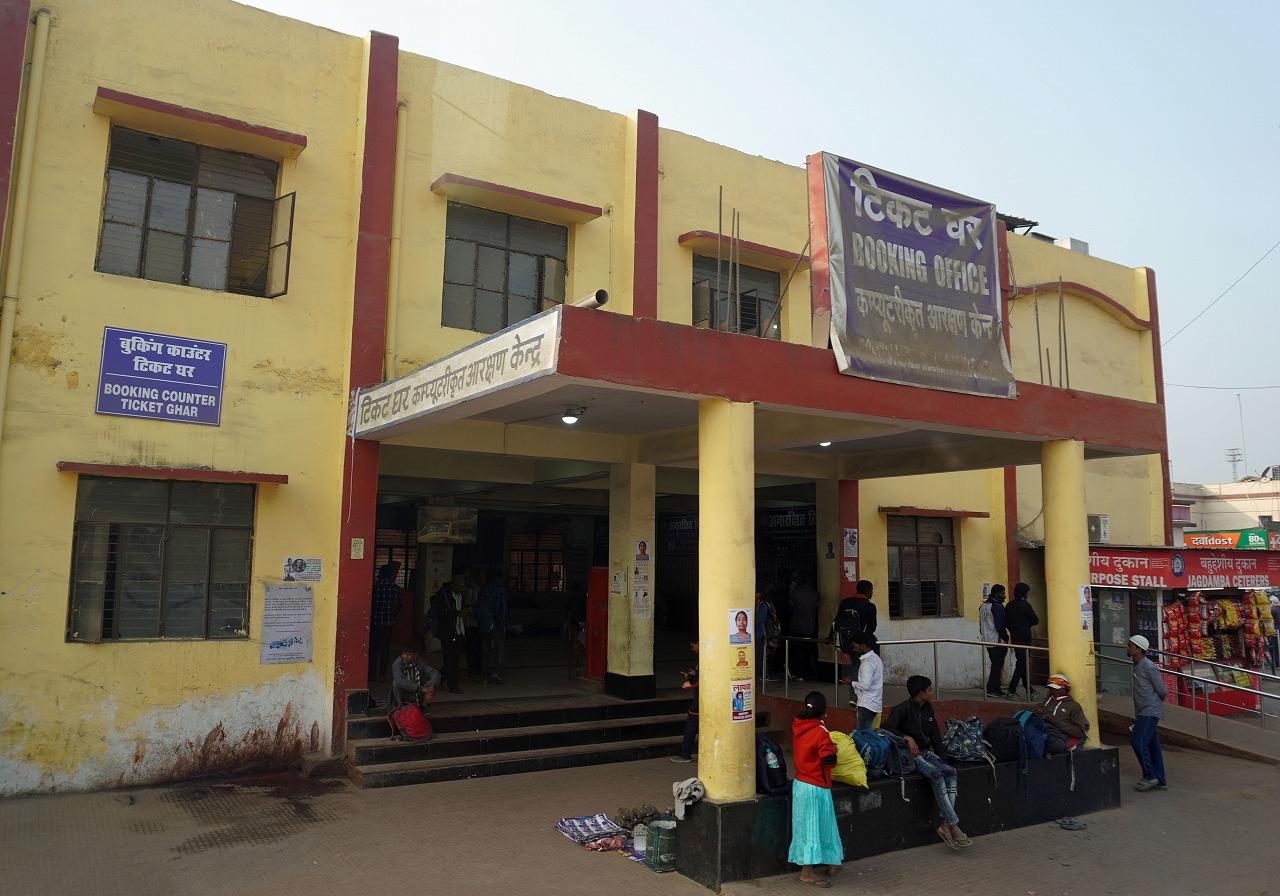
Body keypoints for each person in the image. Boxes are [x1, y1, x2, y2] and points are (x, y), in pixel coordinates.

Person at [883, 675, 971, 849]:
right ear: (921, 693)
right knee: (937, 777)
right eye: (930, 689)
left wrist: (945, 761)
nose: (932, 692)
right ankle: (953, 825)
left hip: (927, 753)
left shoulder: (928, 708)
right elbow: (886, 728)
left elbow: (935, 735)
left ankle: (945, 824)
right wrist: (907, 738)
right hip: (913, 756)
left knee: (951, 773)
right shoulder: (902, 709)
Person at [787, 691, 843, 886]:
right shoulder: (821, 732)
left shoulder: (798, 726)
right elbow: (828, 760)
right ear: (824, 712)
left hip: (801, 784)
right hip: (817, 786)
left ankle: (832, 864)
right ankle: (807, 873)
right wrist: (833, 751)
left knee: (809, 828)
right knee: (821, 827)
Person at [1128, 634, 1168, 792]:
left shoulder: (1148, 666)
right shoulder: (1137, 665)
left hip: (1149, 711)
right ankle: (1160, 780)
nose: (1128, 648)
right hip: (1143, 711)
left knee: (1138, 741)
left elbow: (1162, 690)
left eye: (1130, 646)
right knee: (1152, 745)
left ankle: (1150, 776)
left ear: (1139, 649)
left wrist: (1152, 703)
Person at [831, 580, 878, 705]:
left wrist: (831, 637)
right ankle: (856, 695)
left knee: (856, 665)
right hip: (861, 644)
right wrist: (864, 642)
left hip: (846, 642)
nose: (872, 593)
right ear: (868, 591)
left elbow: (836, 621)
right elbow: (872, 627)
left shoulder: (845, 602)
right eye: (871, 591)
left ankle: (855, 694)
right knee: (863, 666)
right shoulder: (869, 606)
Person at [428, 577, 468, 693]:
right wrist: (457, 613)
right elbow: (441, 614)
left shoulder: (461, 595)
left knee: (453, 658)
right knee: (452, 658)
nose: (463, 587)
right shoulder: (444, 596)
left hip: (459, 630)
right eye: (460, 585)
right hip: (448, 631)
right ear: (453, 585)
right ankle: (452, 684)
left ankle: (440, 677)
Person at [1032, 673, 1089, 753]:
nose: (1052, 691)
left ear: (1064, 689)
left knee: (1052, 744)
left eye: (1055, 689)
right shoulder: (1046, 701)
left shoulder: (1073, 706)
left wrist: (1055, 721)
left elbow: (1080, 732)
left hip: (1056, 737)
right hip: (1041, 732)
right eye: (1050, 688)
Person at [1004, 582, 1040, 699]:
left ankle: (1029, 689)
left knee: (1022, 663)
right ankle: (1011, 690)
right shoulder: (1025, 605)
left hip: (1015, 638)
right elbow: (1035, 620)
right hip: (1024, 639)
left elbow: (1006, 622)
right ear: (1025, 593)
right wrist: (1025, 625)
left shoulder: (1009, 605)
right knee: (1021, 664)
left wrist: (1014, 629)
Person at [368, 561, 402, 682]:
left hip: (375, 624)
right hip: (388, 625)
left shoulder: (374, 588)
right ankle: (382, 674)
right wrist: (393, 618)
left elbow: (370, 606)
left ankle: (372, 674)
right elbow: (399, 607)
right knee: (385, 650)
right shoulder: (396, 589)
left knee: (373, 649)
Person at [478, 568, 509, 684]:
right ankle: (496, 672)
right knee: (499, 648)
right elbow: (502, 608)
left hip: (485, 624)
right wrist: (502, 623)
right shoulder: (500, 589)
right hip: (497, 623)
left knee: (486, 650)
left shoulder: (484, 589)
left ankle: (485, 676)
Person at [670, 642, 699, 764]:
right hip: (702, 700)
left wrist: (690, 683)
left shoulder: (706, 660)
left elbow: (703, 680)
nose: (692, 648)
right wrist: (691, 676)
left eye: (694, 645)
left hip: (700, 702)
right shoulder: (705, 659)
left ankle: (685, 754)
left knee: (691, 727)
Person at [979, 584, 1010, 698]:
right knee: (997, 666)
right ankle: (991, 688)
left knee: (996, 665)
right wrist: (1005, 637)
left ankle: (996, 688)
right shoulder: (996, 607)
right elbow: (999, 626)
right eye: (1003, 593)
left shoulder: (983, 606)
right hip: (997, 641)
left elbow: (981, 625)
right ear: (997, 594)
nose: (1004, 596)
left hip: (987, 640)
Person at [788, 573, 820, 680]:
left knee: (797, 651)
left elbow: (791, 605)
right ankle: (809, 672)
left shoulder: (796, 593)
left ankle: (799, 672)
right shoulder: (814, 594)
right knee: (808, 651)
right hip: (810, 626)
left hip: (796, 625)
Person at [390, 643, 440, 710]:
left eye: (409, 654)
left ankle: (424, 705)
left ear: (415, 655)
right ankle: (401, 707)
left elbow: (435, 673)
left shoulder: (418, 661)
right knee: (395, 683)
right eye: (404, 654)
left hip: (417, 694)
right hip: (405, 694)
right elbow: (400, 681)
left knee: (432, 682)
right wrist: (420, 688)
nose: (405, 657)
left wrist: (431, 688)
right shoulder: (397, 664)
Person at [848, 633, 882, 730]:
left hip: (866, 705)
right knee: (872, 734)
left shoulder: (867, 663)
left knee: (863, 735)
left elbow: (866, 685)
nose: (854, 650)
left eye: (855, 647)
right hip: (875, 703)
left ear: (863, 646)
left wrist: (851, 682)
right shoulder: (876, 658)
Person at [755, 589, 781, 682]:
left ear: (759, 594)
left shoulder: (762, 606)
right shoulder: (757, 605)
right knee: (759, 655)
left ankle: (762, 675)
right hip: (757, 634)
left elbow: (757, 620)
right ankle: (761, 674)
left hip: (760, 634)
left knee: (760, 655)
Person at [1268, 596, 1280, 672]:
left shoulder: (1273, 609)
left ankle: (1277, 664)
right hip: (1277, 631)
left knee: (1275, 648)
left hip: (1275, 631)